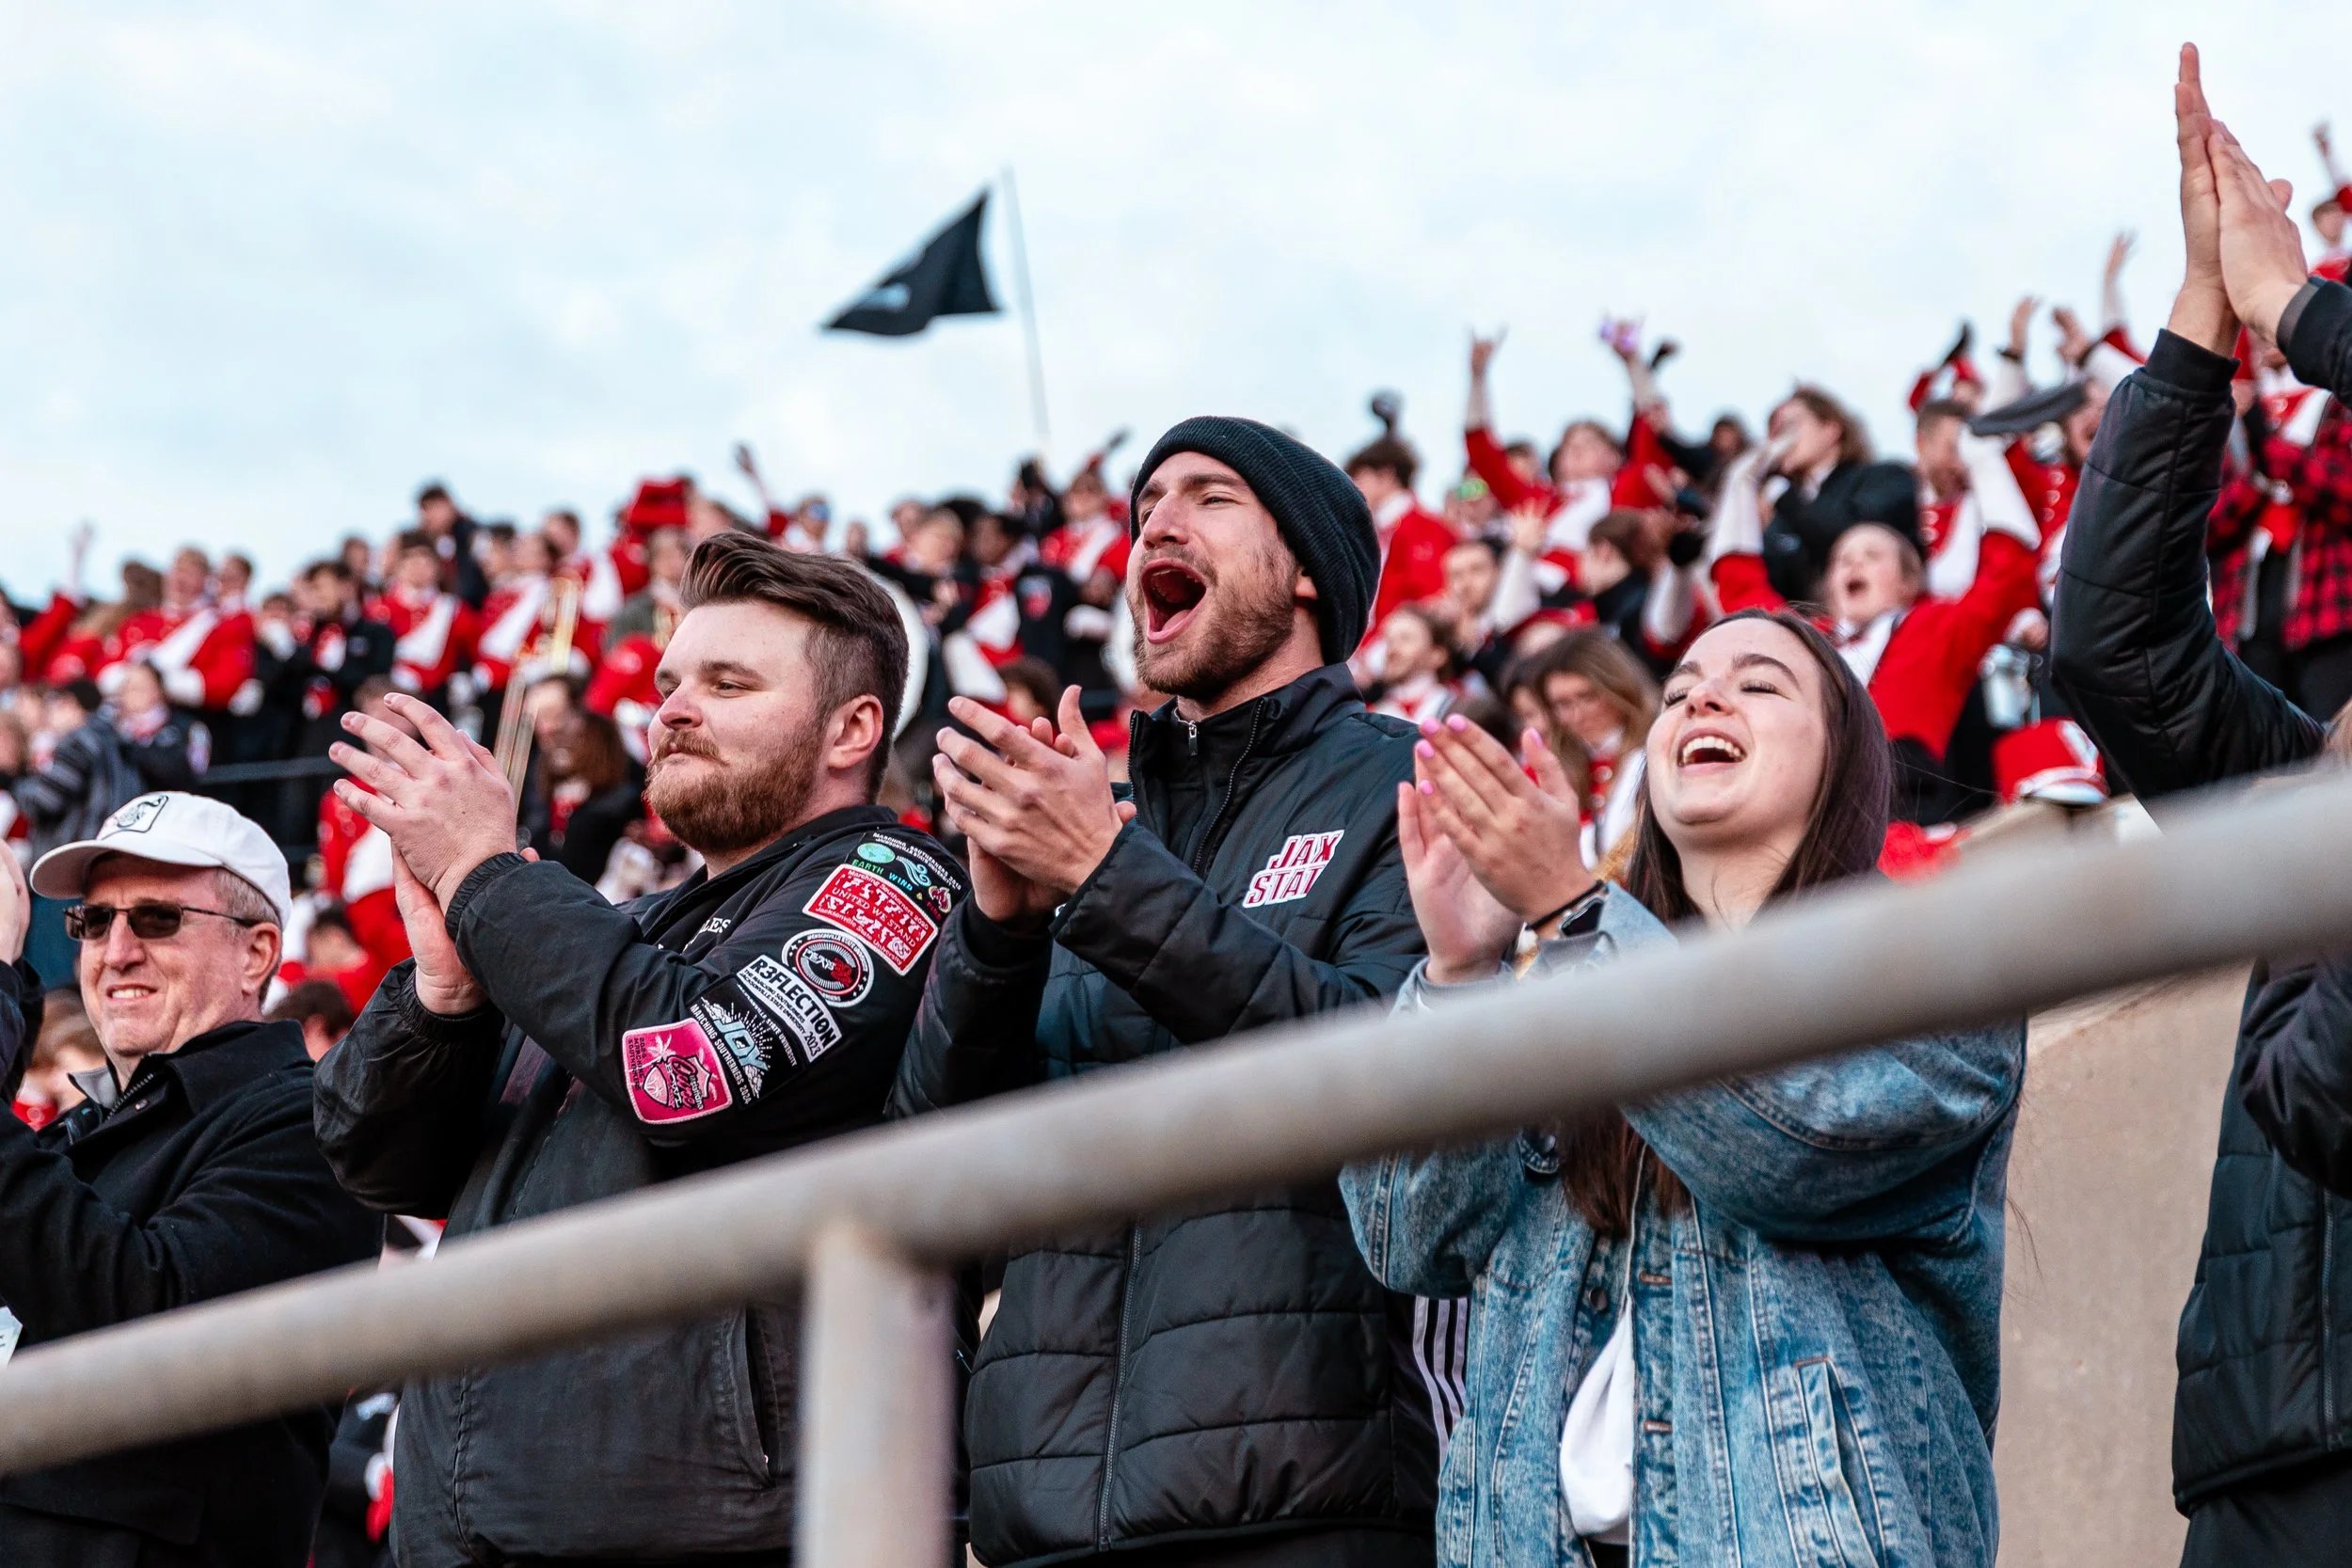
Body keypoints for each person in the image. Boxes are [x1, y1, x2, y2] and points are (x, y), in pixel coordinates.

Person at [314, 531, 965, 1565]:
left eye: (728, 680)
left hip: (701, 1524)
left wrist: (488, 872)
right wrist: (444, 994)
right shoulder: (615, 930)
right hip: (463, 1522)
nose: (669, 709)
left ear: (854, 728)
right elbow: (376, 1162)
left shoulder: (897, 880)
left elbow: (691, 1069)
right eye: (667, 681)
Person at [1343, 609, 2023, 1567]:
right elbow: (1405, 1235)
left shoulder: (1936, 966)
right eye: (1680, 688)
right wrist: (1460, 975)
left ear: (1843, 758)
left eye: (1759, 682)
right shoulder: (1563, 990)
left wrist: (1577, 917)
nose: (1702, 694)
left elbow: (1791, 1146)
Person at [895, 415, 1443, 1568]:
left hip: (1300, 1498)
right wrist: (996, 928)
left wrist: (1105, 879)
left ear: (1306, 571)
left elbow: (1388, 1072)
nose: (1156, 519)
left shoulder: (1404, 780)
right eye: (1144, 502)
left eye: (1209, 494)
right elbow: (927, 1162)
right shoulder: (1091, 819)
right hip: (1042, 1514)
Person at [2048, 46, 2352, 1563]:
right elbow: (2114, 647)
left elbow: (2323, 1093)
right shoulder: (2307, 793)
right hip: (2267, 1447)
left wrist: (2306, 312)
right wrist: (2203, 328)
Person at [0, 796, 377, 1566]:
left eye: (157, 919)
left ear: (257, 951)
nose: (117, 949)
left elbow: (146, 1314)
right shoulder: (88, 1129)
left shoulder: (309, 1123)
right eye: (94, 923)